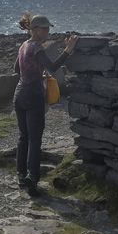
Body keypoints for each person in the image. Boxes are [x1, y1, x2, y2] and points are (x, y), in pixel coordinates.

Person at [13, 13, 78, 197]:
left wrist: (34, 75)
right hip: (33, 95)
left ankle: (20, 174)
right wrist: (68, 50)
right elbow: (53, 67)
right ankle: (32, 177)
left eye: (49, 28)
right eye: (44, 28)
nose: (48, 31)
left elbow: (17, 69)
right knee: (35, 139)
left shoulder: (23, 46)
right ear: (33, 30)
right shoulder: (36, 47)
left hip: (19, 95)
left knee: (23, 137)